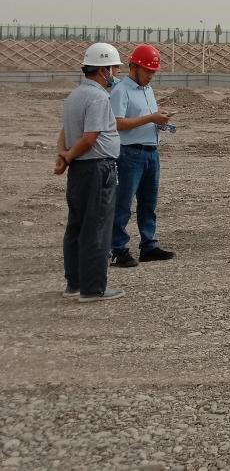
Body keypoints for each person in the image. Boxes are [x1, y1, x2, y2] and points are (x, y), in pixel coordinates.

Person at [55, 43, 125, 301]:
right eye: (114, 68)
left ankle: (74, 283)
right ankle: (93, 287)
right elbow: (90, 137)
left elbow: (66, 132)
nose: (116, 74)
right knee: (97, 226)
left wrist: (64, 155)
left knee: (76, 225)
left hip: (80, 169)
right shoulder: (98, 98)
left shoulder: (75, 95)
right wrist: (69, 155)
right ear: (103, 70)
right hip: (97, 167)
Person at [109, 44, 175, 268]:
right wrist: (150, 119)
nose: (150, 76)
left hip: (150, 152)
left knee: (148, 202)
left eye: (153, 72)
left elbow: (146, 118)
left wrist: (160, 122)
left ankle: (149, 245)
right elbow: (117, 123)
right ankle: (118, 249)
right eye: (148, 71)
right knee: (123, 203)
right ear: (134, 67)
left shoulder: (147, 90)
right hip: (130, 154)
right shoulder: (121, 91)